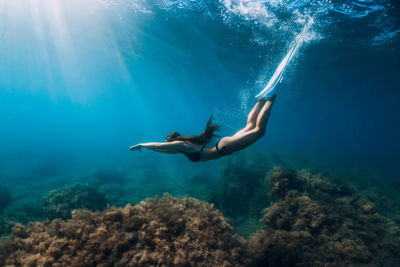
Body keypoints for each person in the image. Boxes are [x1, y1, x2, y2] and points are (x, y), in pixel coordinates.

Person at [129, 95, 276, 162]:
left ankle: (270, 98)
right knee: (250, 126)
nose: (166, 141)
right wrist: (146, 147)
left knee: (258, 131)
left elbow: (159, 146)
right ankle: (261, 100)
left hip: (222, 148)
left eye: (168, 139)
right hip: (223, 147)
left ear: (172, 139)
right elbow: (163, 150)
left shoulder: (181, 144)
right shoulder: (183, 145)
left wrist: (141, 144)